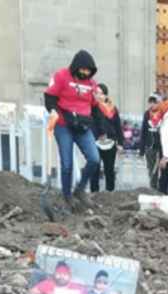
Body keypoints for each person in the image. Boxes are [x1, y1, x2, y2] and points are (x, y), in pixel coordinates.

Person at [44, 51, 102, 209]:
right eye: (83, 70)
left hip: (83, 126)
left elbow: (96, 107)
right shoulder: (61, 76)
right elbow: (50, 98)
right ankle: (67, 195)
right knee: (67, 164)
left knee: (94, 159)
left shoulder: (92, 85)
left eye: (88, 71)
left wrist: (101, 129)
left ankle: (80, 189)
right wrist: (53, 111)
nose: (85, 73)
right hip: (63, 125)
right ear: (76, 67)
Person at [90, 84, 123, 193]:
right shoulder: (92, 107)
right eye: (96, 93)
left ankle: (110, 192)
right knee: (95, 168)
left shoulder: (113, 109)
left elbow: (118, 127)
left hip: (110, 142)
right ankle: (94, 192)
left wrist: (120, 143)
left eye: (100, 93)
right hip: (96, 142)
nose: (98, 95)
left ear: (105, 95)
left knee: (109, 169)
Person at [139, 93, 161, 179]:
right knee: (151, 170)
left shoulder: (163, 114)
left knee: (161, 170)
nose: (152, 104)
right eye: (150, 102)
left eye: (154, 102)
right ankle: (153, 188)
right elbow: (143, 132)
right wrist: (141, 150)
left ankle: (161, 188)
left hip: (161, 148)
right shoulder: (147, 114)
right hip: (150, 147)